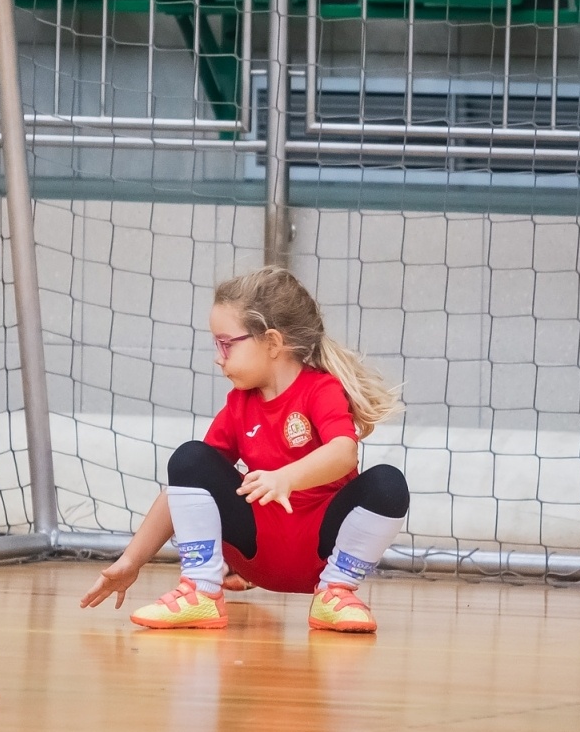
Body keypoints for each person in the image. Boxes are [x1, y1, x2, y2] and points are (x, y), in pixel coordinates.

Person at [81, 266, 409, 633]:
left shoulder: (320, 391)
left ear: (271, 342)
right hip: (257, 553)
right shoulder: (239, 405)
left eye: (226, 343)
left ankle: (336, 592)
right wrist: (131, 561)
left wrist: (286, 477)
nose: (218, 357)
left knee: (388, 483)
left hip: (319, 554)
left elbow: (344, 453)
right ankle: (201, 592)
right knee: (190, 459)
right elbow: (184, 488)